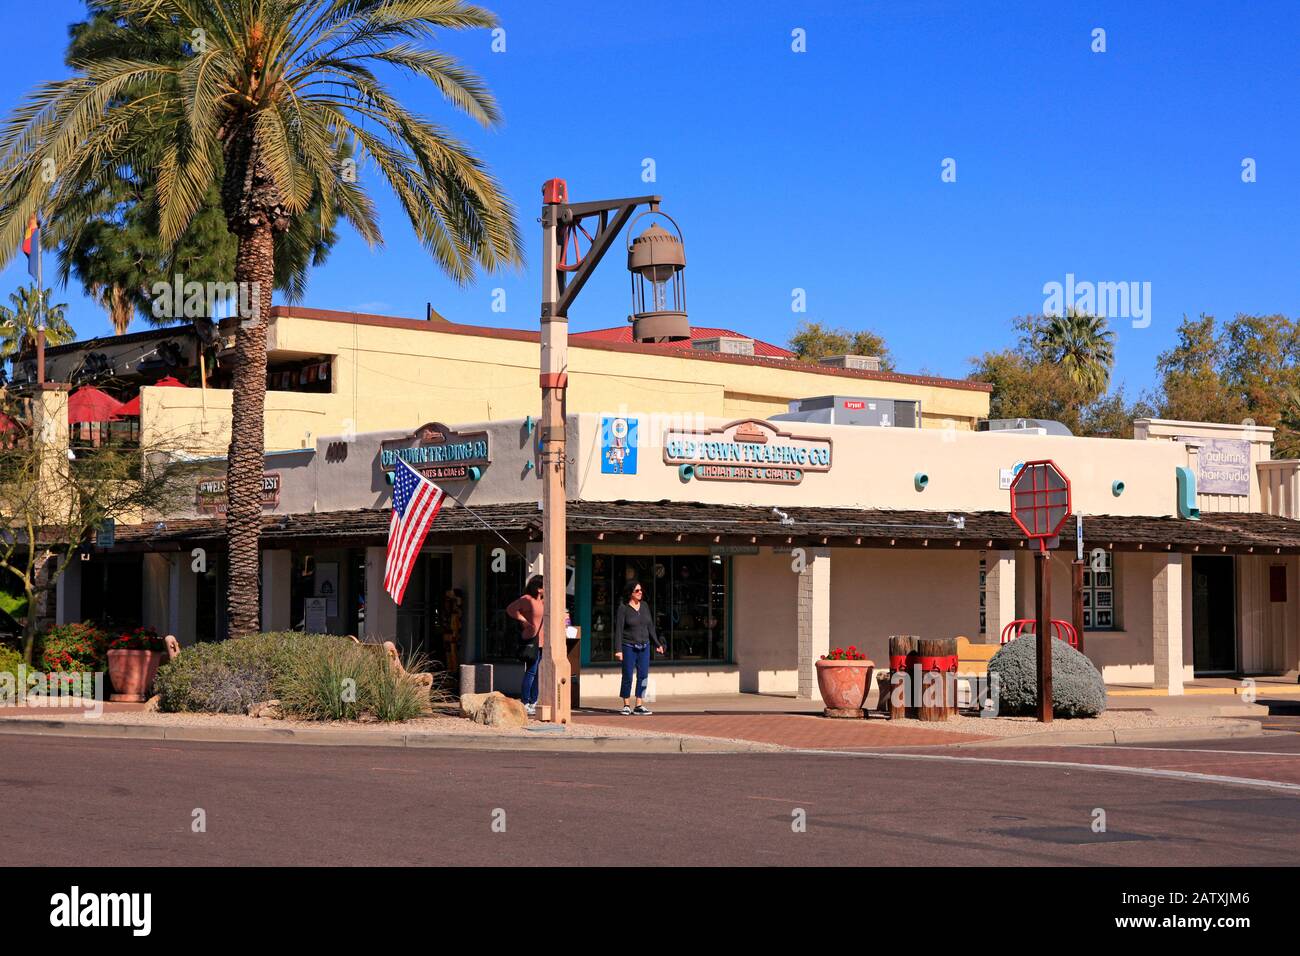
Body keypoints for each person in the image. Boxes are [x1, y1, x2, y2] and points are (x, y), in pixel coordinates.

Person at [614, 579, 665, 715]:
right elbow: (618, 630)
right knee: (628, 676)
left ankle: (639, 705)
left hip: (644, 646)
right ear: (630, 592)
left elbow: (650, 627)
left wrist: (657, 644)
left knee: (643, 676)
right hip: (628, 646)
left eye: (641, 590)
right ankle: (626, 705)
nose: (640, 592)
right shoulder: (623, 608)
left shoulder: (644, 606)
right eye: (637, 590)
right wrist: (618, 650)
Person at [506, 575, 544, 717]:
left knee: (539, 672)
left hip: (543, 641)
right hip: (531, 639)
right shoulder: (527, 599)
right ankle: (525, 701)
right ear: (539, 588)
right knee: (532, 671)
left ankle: (534, 701)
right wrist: (524, 621)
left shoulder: (543, 601)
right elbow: (511, 609)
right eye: (544, 585)